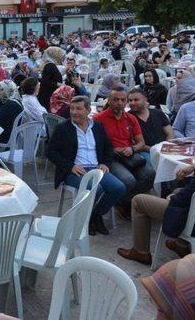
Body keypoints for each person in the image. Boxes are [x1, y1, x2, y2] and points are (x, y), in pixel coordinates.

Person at [47, 96, 126, 235]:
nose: (74, 112)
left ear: (88, 110)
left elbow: (108, 147)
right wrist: (70, 166)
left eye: (78, 109)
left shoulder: (97, 127)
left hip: (96, 168)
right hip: (75, 171)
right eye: (72, 108)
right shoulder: (63, 128)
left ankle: (94, 215)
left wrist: (105, 163)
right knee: (97, 188)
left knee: (118, 188)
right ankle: (91, 218)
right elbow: (50, 151)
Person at [94, 87, 156, 219]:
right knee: (128, 180)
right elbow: (94, 145)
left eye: (123, 100)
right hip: (110, 157)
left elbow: (141, 143)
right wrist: (113, 150)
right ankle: (124, 202)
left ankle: (123, 201)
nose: (119, 103)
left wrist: (132, 149)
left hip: (130, 155)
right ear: (109, 100)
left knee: (151, 175)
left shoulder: (130, 118)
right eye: (115, 99)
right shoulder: (98, 119)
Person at [117, 165, 195, 265]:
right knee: (177, 189)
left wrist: (175, 198)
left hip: (190, 216)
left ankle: (140, 252)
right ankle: (181, 245)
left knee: (138, 201)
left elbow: (187, 195)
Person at [128, 88, 174, 158]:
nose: (132, 103)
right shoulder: (127, 118)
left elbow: (170, 133)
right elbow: (135, 143)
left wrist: (166, 148)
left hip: (165, 149)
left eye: (136, 100)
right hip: (144, 152)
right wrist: (155, 150)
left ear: (145, 100)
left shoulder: (158, 113)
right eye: (130, 100)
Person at [0, 81, 23, 145]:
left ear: (8, 90)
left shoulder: (12, 104)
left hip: (4, 137)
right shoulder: (12, 101)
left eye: (1, 89)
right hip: (5, 133)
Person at [38, 47, 65, 111]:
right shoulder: (50, 65)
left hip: (48, 94)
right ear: (55, 55)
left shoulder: (50, 64)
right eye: (60, 55)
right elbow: (45, 81)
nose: (61, 58)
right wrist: (58, 84)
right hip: (48, 96)